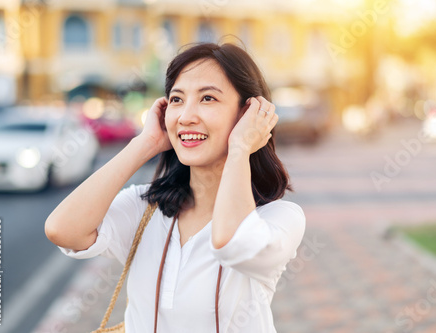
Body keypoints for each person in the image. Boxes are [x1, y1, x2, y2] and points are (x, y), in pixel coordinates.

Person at [45, 42, 306, 333]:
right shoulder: (146, 208)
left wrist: (241, 147)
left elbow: (233, 242)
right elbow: (62, 230)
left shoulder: (279, 218)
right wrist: (145, 144)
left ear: (248, 113)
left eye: (208, 98)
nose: (186, 116)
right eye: (177, 100)